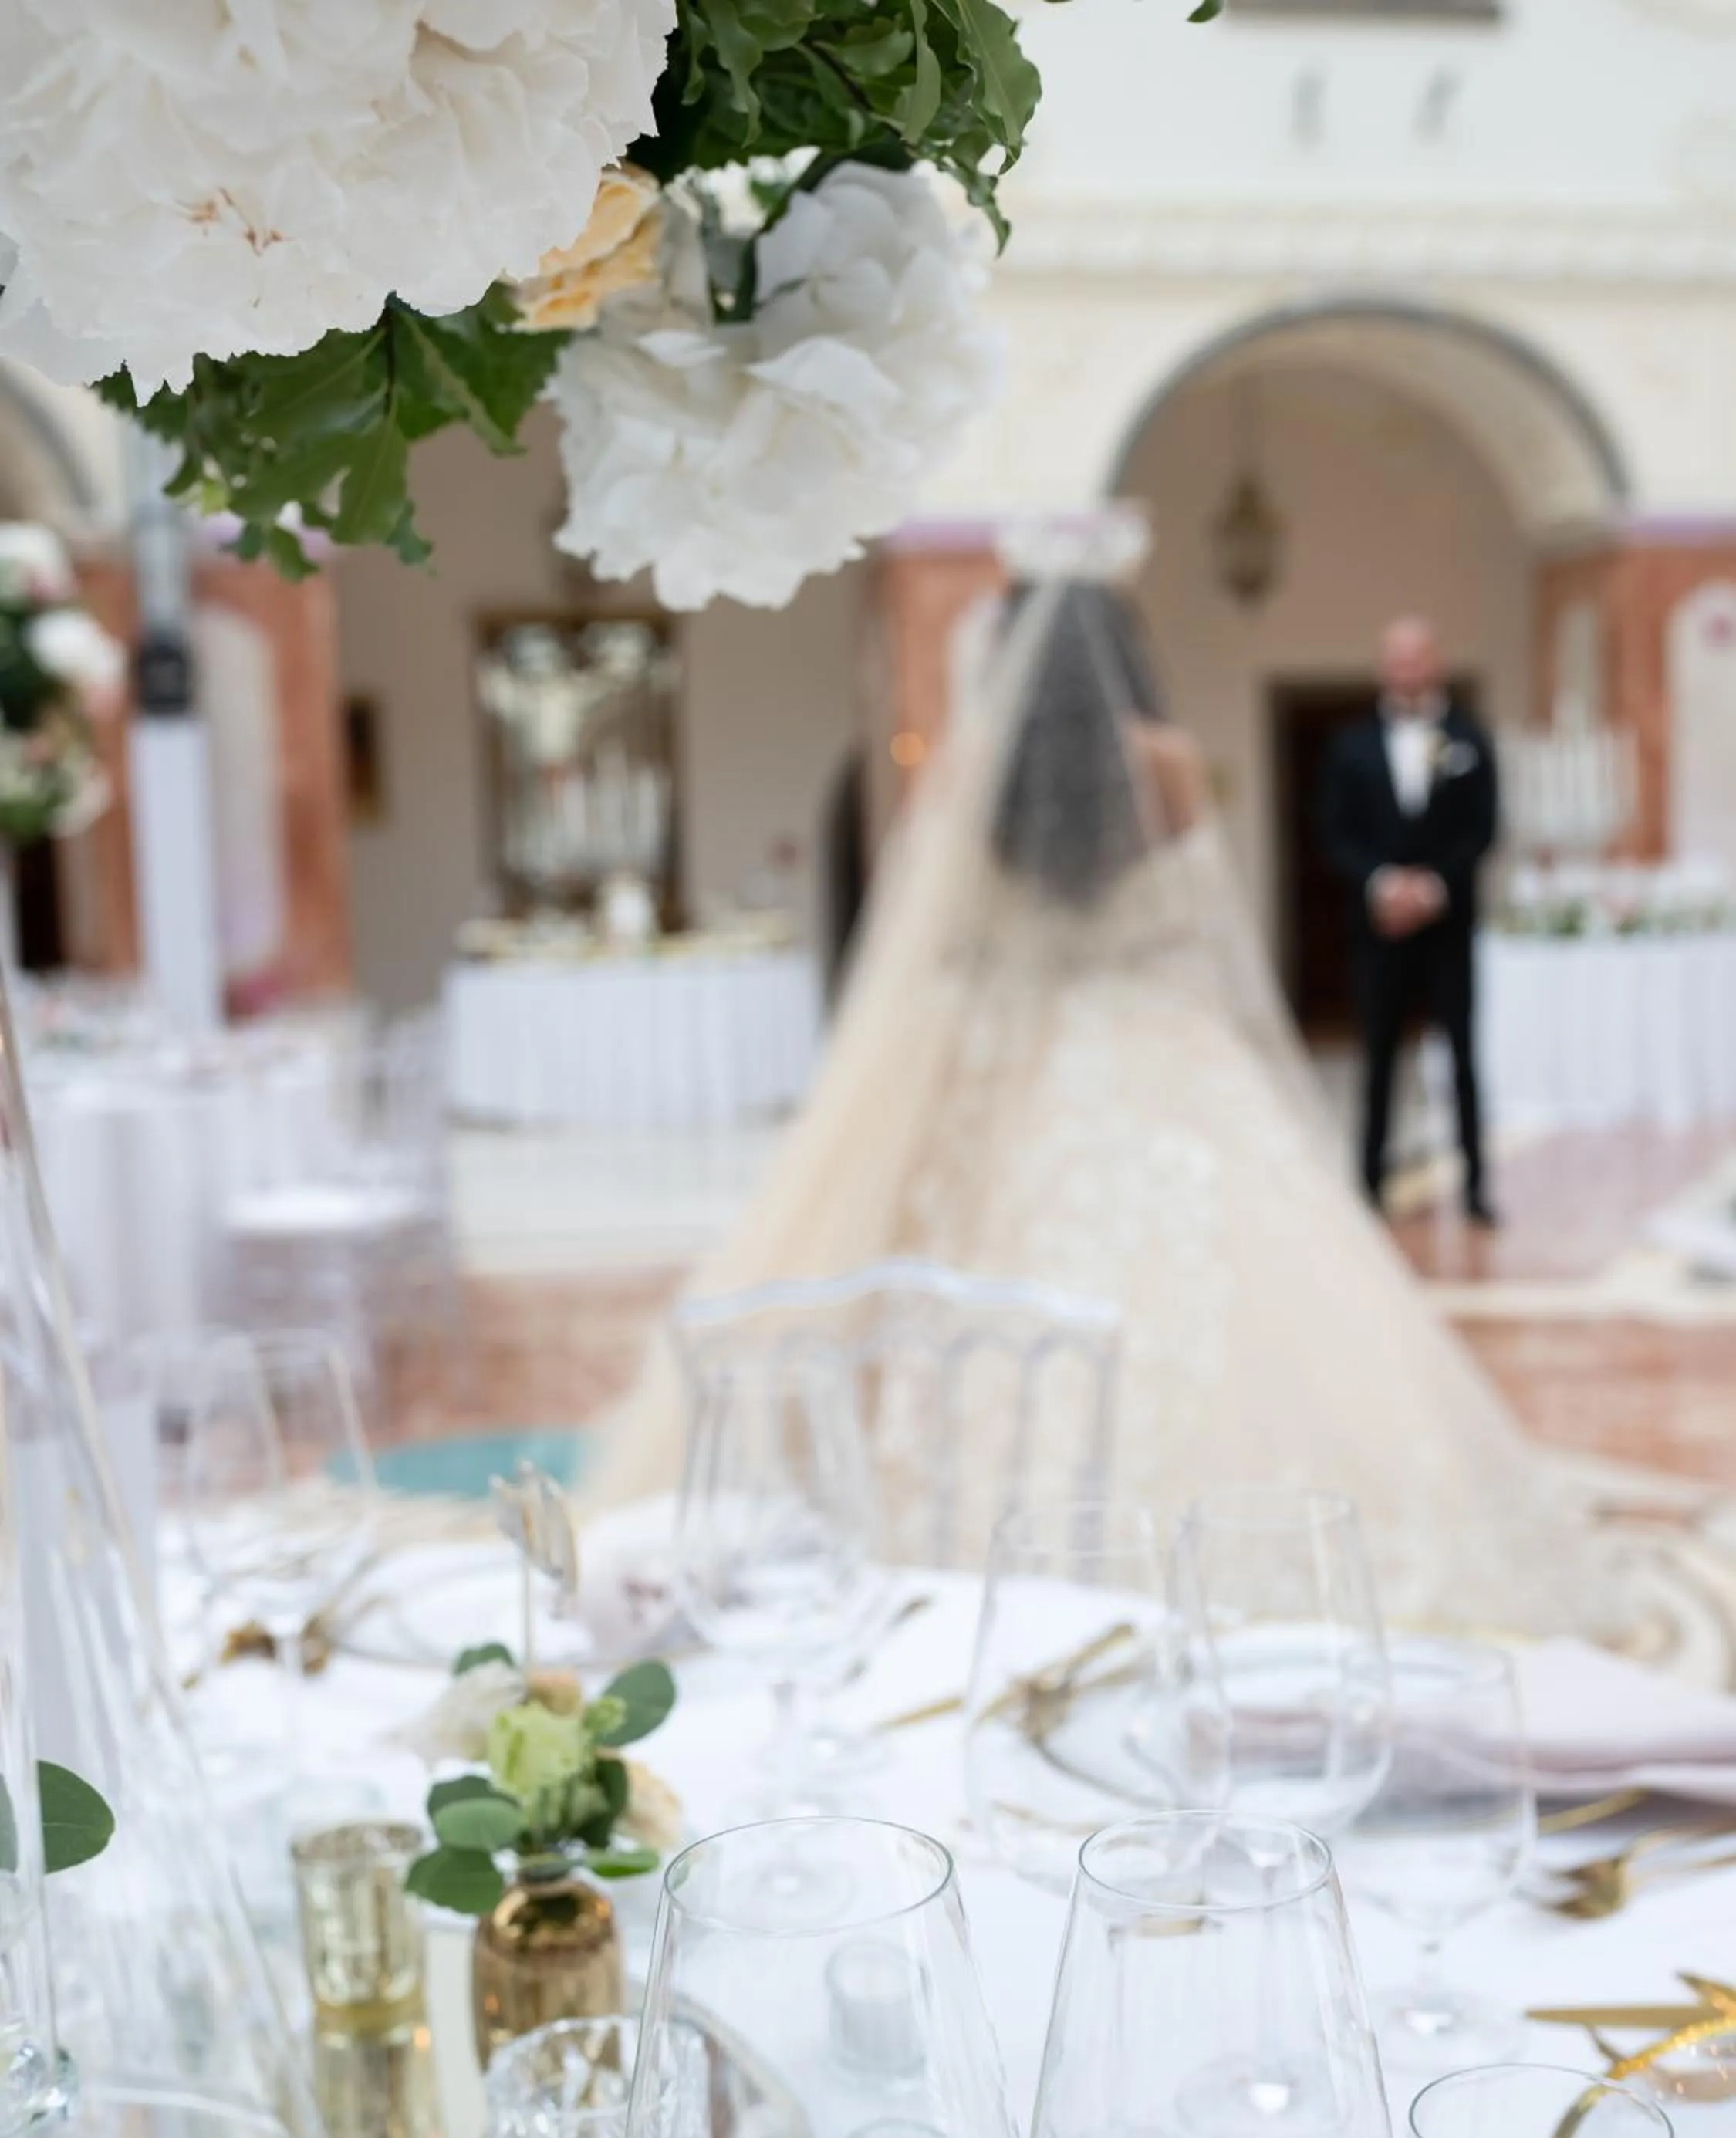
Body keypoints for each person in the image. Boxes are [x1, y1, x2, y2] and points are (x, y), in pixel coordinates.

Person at [584, 533, 1656, 1643]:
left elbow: (948, 951)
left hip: (1011, 1069)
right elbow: (1198, 931)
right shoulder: (1169, 768)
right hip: (1153, 1046)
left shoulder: (972, 763)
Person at [1322, 618, 1499, 1223]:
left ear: (1435, 663)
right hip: (1379, 928)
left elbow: (1482, 829)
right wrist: (1383, 884)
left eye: (1417, 660)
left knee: (1463, 1056)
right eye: (1396, 661)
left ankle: (1476, 1188)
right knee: (1378, 1057)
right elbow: (1336, 833)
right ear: (1383, 668)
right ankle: (1368, 1184)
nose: (1407, 672)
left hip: (1447, 924)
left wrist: (1432, 887)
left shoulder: (1469, 739)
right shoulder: (1351, 745)